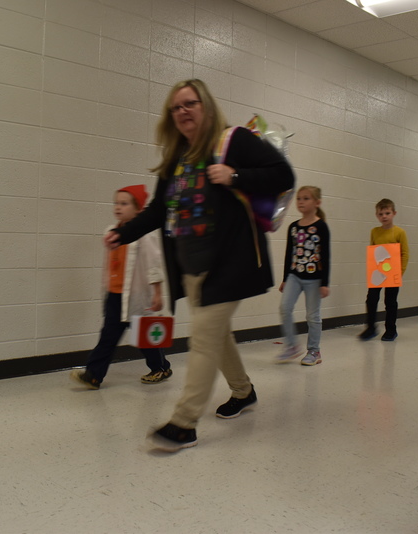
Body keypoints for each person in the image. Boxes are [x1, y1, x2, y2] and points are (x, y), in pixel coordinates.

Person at [104, 79, 294, 452]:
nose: (183, 112)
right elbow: (159, 210)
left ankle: (184, 423)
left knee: (204, 339)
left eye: (190, 104)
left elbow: (282, 174)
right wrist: (123, 233)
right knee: (217, 335)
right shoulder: (176, 158)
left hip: (230, 262)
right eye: (176, 107)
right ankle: (243, 391)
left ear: (206, 106)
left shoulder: (232, 140)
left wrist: (235, 176)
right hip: (190, 265)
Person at [70, 185, 171, 389]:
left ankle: (161, 367)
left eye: (124, 204)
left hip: (137, 298)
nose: (118, 207)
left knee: (144, 338)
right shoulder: (111, 231)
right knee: (107, 337)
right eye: (116, 203)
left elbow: (154, 265)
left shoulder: (145, 236)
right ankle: (93, 375)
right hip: (115, 296)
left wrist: (157, 293)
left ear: (139, 209)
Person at [277, 186, 330, 365]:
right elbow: (288, 254)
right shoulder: (293, 227)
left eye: (306, 198)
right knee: (285, 307)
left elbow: (326, 255)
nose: (301, 201)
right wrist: (285, 278)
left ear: (317, 203)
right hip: (295, 276)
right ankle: (291, 345)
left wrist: (325, 282)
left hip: (314, 278)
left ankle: (314, 351)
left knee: (312, 316)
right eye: (299, 198)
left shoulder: (321, 227)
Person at [359, 199, 409, 342]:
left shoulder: (400, 232)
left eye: (387, 213)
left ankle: (391, 330)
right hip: (377, 273)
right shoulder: (374, 232)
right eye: (381, 214)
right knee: (371, 299)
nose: (384, 216)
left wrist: (400, 272)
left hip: (393, 273)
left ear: (394, 213)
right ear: (377, 215)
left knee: (390, 302)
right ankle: (371, 328)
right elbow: (373, 251)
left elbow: (405, 253)